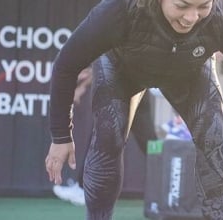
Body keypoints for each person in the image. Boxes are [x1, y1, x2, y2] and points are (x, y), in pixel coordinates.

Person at [43, 0, 223, 220]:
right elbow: (66, 64)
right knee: (109, 135)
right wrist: (61, 136)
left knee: (214, 139)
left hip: (189, 74)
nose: (191, 17)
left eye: (203, 7)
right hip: (124, 71)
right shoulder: (124, 4)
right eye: (182, 5)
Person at [51, 68, 159, 206]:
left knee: (147, 142)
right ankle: (168, 187)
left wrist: (82, 85)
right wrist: (82, 86)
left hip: (127, 88)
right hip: (131, 87)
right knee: (149, 142)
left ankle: (84, 190)